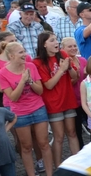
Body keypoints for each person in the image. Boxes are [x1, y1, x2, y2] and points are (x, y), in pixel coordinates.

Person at [0, 42, 54, 176]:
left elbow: (40, 91)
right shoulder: (1, 73)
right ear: (11, 55)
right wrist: (22, 81)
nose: (24, 54)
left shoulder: (31, 67)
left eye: (24, 51)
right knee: (26, 147)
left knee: (44, 143)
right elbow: (13, 97)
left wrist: (30, 81)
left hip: (38, 109)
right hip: (19, 112)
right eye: (21, 52)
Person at [33, 32, 80, 168]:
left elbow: (74, 76)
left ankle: (79, 164)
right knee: (58, 136)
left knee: (72, 132)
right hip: (53, 103)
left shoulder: (63, 54)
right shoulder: (38, 62)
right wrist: (61, 70)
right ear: (44, 44)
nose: (56, 43)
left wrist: (69, 67)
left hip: (68, 99)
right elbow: (48, 85)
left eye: (56, 40)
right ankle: (58, 166)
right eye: (52, 40)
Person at [60, 37, 89, 149]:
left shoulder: (83, 60)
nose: (73, 48)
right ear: (63, 49)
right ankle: (80, 151)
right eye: (70, 46)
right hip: (72, 101)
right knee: (76, 130)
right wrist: (75, 77)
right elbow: (65, 84)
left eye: (75, 46)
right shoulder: (62, 63)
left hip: (86, 99)